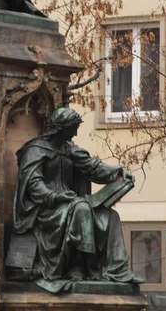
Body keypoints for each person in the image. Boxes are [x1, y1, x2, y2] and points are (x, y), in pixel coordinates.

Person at [12, 107, 143, 292]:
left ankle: (118, 270)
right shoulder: (35, 150)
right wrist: (56, 196)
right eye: (73, 128)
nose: (76, 132)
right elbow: (33, 185)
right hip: (44, 210)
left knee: (110, 216)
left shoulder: (68, 148)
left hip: (68, 203)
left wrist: (117, 172)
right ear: (61, 128)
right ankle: (81, 267)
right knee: (81, 208)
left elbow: (92, 167)